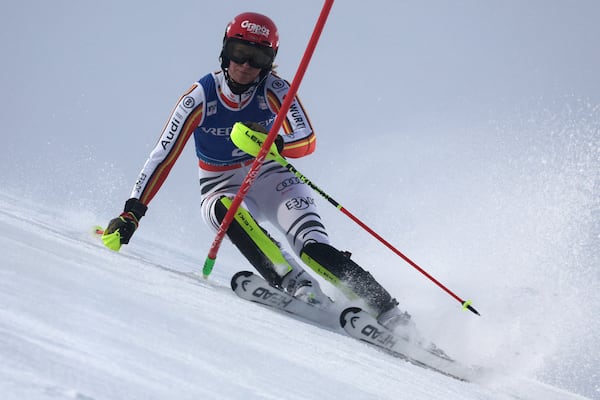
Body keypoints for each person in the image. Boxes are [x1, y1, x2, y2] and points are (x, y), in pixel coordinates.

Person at [102, 12, 410, 330]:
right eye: (239, 52)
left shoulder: (274, 88)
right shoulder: (201, 96)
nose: (246, 65)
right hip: (220, 185)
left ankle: (391, 315)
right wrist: (132, 213)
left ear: (269, 61)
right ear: (226, 51)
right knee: (223, 211)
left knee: (313, 248)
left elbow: (306, 139)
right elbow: (163, 156)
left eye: (258, 57)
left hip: (273, 178)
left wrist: (273, 143)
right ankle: (299, 287)